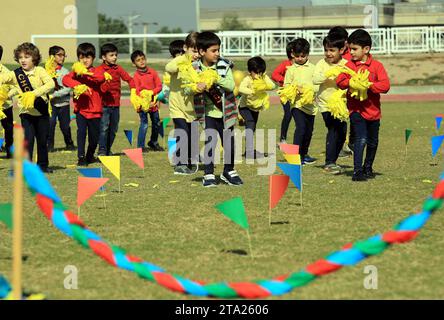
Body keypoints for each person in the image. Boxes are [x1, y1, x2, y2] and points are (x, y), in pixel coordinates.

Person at [336, 29, 390, 181]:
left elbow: (385, 86)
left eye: (354, 49)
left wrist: (368, 85)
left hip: (373, 112)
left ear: (366, 49)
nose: (351, 52)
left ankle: (368, 168)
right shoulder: (349, 65)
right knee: (361, 139)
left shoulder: (377, 66)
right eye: (349, 49)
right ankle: (357, 171)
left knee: (373, 142)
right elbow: (339, 82)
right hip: (356, 110)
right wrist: (350, 82)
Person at [194, 31, 243, 187]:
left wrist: (215, 78)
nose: (217, 53)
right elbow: (187, 88)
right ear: (202, 52)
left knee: (229, 143)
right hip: (207, 113)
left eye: (218, 50)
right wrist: (197, 87)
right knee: (210, 142)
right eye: (213, 50)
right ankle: (208, 173)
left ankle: (229, 171)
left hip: (226, 113)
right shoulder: (194, 68)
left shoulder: (223, 65)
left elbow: (230, 85)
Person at [0, 43, 55, 172]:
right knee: (28, 141)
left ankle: (43, 166)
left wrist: (33, 94)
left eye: (27, 57)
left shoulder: (40, 71)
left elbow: (51, 84)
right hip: (26, 114)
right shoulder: (15, 74)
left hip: (42, 113)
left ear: (34, 58)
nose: (23, 60)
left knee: (42, 141)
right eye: (20, 57)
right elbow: (3, 78)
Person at [62, 42, 106, 166]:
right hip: (81, 111)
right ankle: (81, 157)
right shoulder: (76, 72)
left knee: (94, 138)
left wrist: (86, 73)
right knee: (81, 134)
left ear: (93, 58)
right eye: (81, 57)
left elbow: (100, 78)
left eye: (88, 57)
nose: (85, 60)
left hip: (96, 111)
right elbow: (65, 79)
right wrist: (78, 85)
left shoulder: (98, 70)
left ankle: (89, 155)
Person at [165, 32, 200, 175]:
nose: (196, 54)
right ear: (186, 48)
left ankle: (190, 159)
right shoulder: (179, 60)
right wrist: (182, 62)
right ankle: (180, 163)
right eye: (194, 51)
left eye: (199, 51)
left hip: (192, 108)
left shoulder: (199, 65)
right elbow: (169, 68)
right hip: (177, 105)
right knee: (182, 133)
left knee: (192, 135)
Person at [313, 34, 348, 174]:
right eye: (326, 50)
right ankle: (329, 162)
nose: (328, 53)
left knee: (342, 131)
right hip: (325, 104)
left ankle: (333, 159)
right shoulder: (322, 64)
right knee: (333, 129)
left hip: (341, 105)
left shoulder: (346, 64)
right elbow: (315, 79)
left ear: (341, 50)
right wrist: (329, 73)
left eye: (332, 50)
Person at [281, 38, 317, 165]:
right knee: (301, 128)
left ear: (308, 54)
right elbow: (286, 86)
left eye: (303, 56)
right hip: (297, 105)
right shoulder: (290, 70)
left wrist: (310, 90)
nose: (300, 58)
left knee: (309, 131)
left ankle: (304, 154)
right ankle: (295, 157)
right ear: (292, 54)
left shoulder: (314, 68)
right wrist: (294, 90)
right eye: (297, 56)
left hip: (311, 106)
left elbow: (318, 85)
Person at [96, 43, 135, 156]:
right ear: (104, 57)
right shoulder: (99, 70)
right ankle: (102, 151)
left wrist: (134, 91)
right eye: (111, 55)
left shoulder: (118, 68)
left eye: (116, 55)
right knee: (104, 129)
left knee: (113, 130)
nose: (115, 57)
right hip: (104, 106)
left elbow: (129, 79)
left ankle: (108, 149)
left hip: (116, 105)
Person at [239, 56, 275, 159]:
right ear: (250, 72)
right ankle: (249, 152)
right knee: (250, 125)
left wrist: (264, 81)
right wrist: (253, 91)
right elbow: (241, 88)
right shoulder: (247, 79)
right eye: (256, 72)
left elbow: (272, 86)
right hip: (244, 107)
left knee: (252, 127)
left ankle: (248, 151)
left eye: (261, 72)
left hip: (255, 108)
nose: (258, 75)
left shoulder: (263, 77)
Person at [130, 50, 163, 151]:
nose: (141, 61)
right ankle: (141, 146)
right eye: (138, 60)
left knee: (156, 123)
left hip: (153, 104)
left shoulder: (152, 72)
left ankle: (153, 142)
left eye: (143, 59)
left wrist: (151, 93)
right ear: (134, 63)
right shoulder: (136, 76)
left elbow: (159, 86)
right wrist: (144, 98)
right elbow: (137, 91)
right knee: (144, 124)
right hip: (143, 105)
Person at [328, 26, 354, 157]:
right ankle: (342, 146)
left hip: (350, 93)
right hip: (335, 96)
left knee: (351, 120)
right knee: (338, 123)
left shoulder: (351, 55)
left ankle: (350, 143)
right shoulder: (330, 57)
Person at [47, 45, 75, 152]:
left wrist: (55, 95)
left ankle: (69, 143)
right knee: (50, 124)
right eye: (59, 55)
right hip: (51, 105)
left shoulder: (65, 72)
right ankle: (49, 146)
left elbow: (68, 88)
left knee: (65, 126)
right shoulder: (46, 71)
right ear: (52, 57)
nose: (62, 58)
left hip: (63, 104)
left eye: (64, 55)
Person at [272, 40, 298, 144]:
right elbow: (274, 75)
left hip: (299, 95)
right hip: (286, 95)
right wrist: (285, 81)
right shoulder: (285, 64)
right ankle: (282, 139)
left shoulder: (302, 65)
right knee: (288, 114)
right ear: (292, 53)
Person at [0, 45, 14, 159]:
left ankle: (10, 151)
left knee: (8, 129)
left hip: (5, 106)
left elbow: (15, 87)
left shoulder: (6, 72)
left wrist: (6, 96)